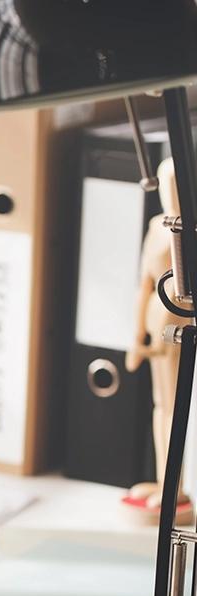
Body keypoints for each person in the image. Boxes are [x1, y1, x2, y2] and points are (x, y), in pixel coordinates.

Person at [125, 157, 195, 523]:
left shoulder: (188, 232)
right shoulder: (157, 226)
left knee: (173, 407)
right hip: (156, 315)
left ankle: (175, 487)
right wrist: (136, 336)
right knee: (159, 407)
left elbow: (185, 291)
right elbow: (143, 285)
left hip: (176, 322)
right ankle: (161, 478)